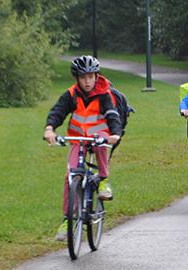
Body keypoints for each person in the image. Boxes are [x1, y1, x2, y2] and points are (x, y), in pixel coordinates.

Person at [44, 55, 122, 241]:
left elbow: (112, 115)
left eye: (91, 77)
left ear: (96, 76)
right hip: (78, 139)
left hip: (99, 137)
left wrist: (114, 134)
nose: (87, 82)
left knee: (101, 145)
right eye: (83, 77)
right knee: (71, 175)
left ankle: (103, 179)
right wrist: (50, 129)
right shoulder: (71, 94)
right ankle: (67, 218)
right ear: (77, 79)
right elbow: (58, 112)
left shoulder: (104, 94)